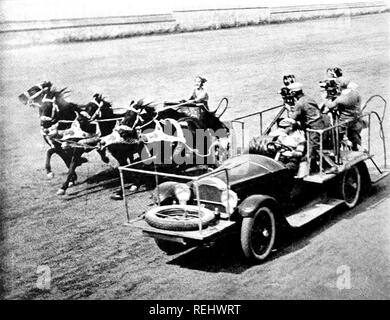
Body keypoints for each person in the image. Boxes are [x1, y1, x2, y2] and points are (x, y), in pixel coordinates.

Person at [324, 78, 364, 151]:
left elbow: (329, 106)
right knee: (354, 135)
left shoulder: (341, 99)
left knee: (336, 134)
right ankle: (356, 147)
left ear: (340, 86)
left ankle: (339, 146)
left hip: (344, 120)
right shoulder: (355, 93)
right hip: (355, 117)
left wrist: (324, 98)